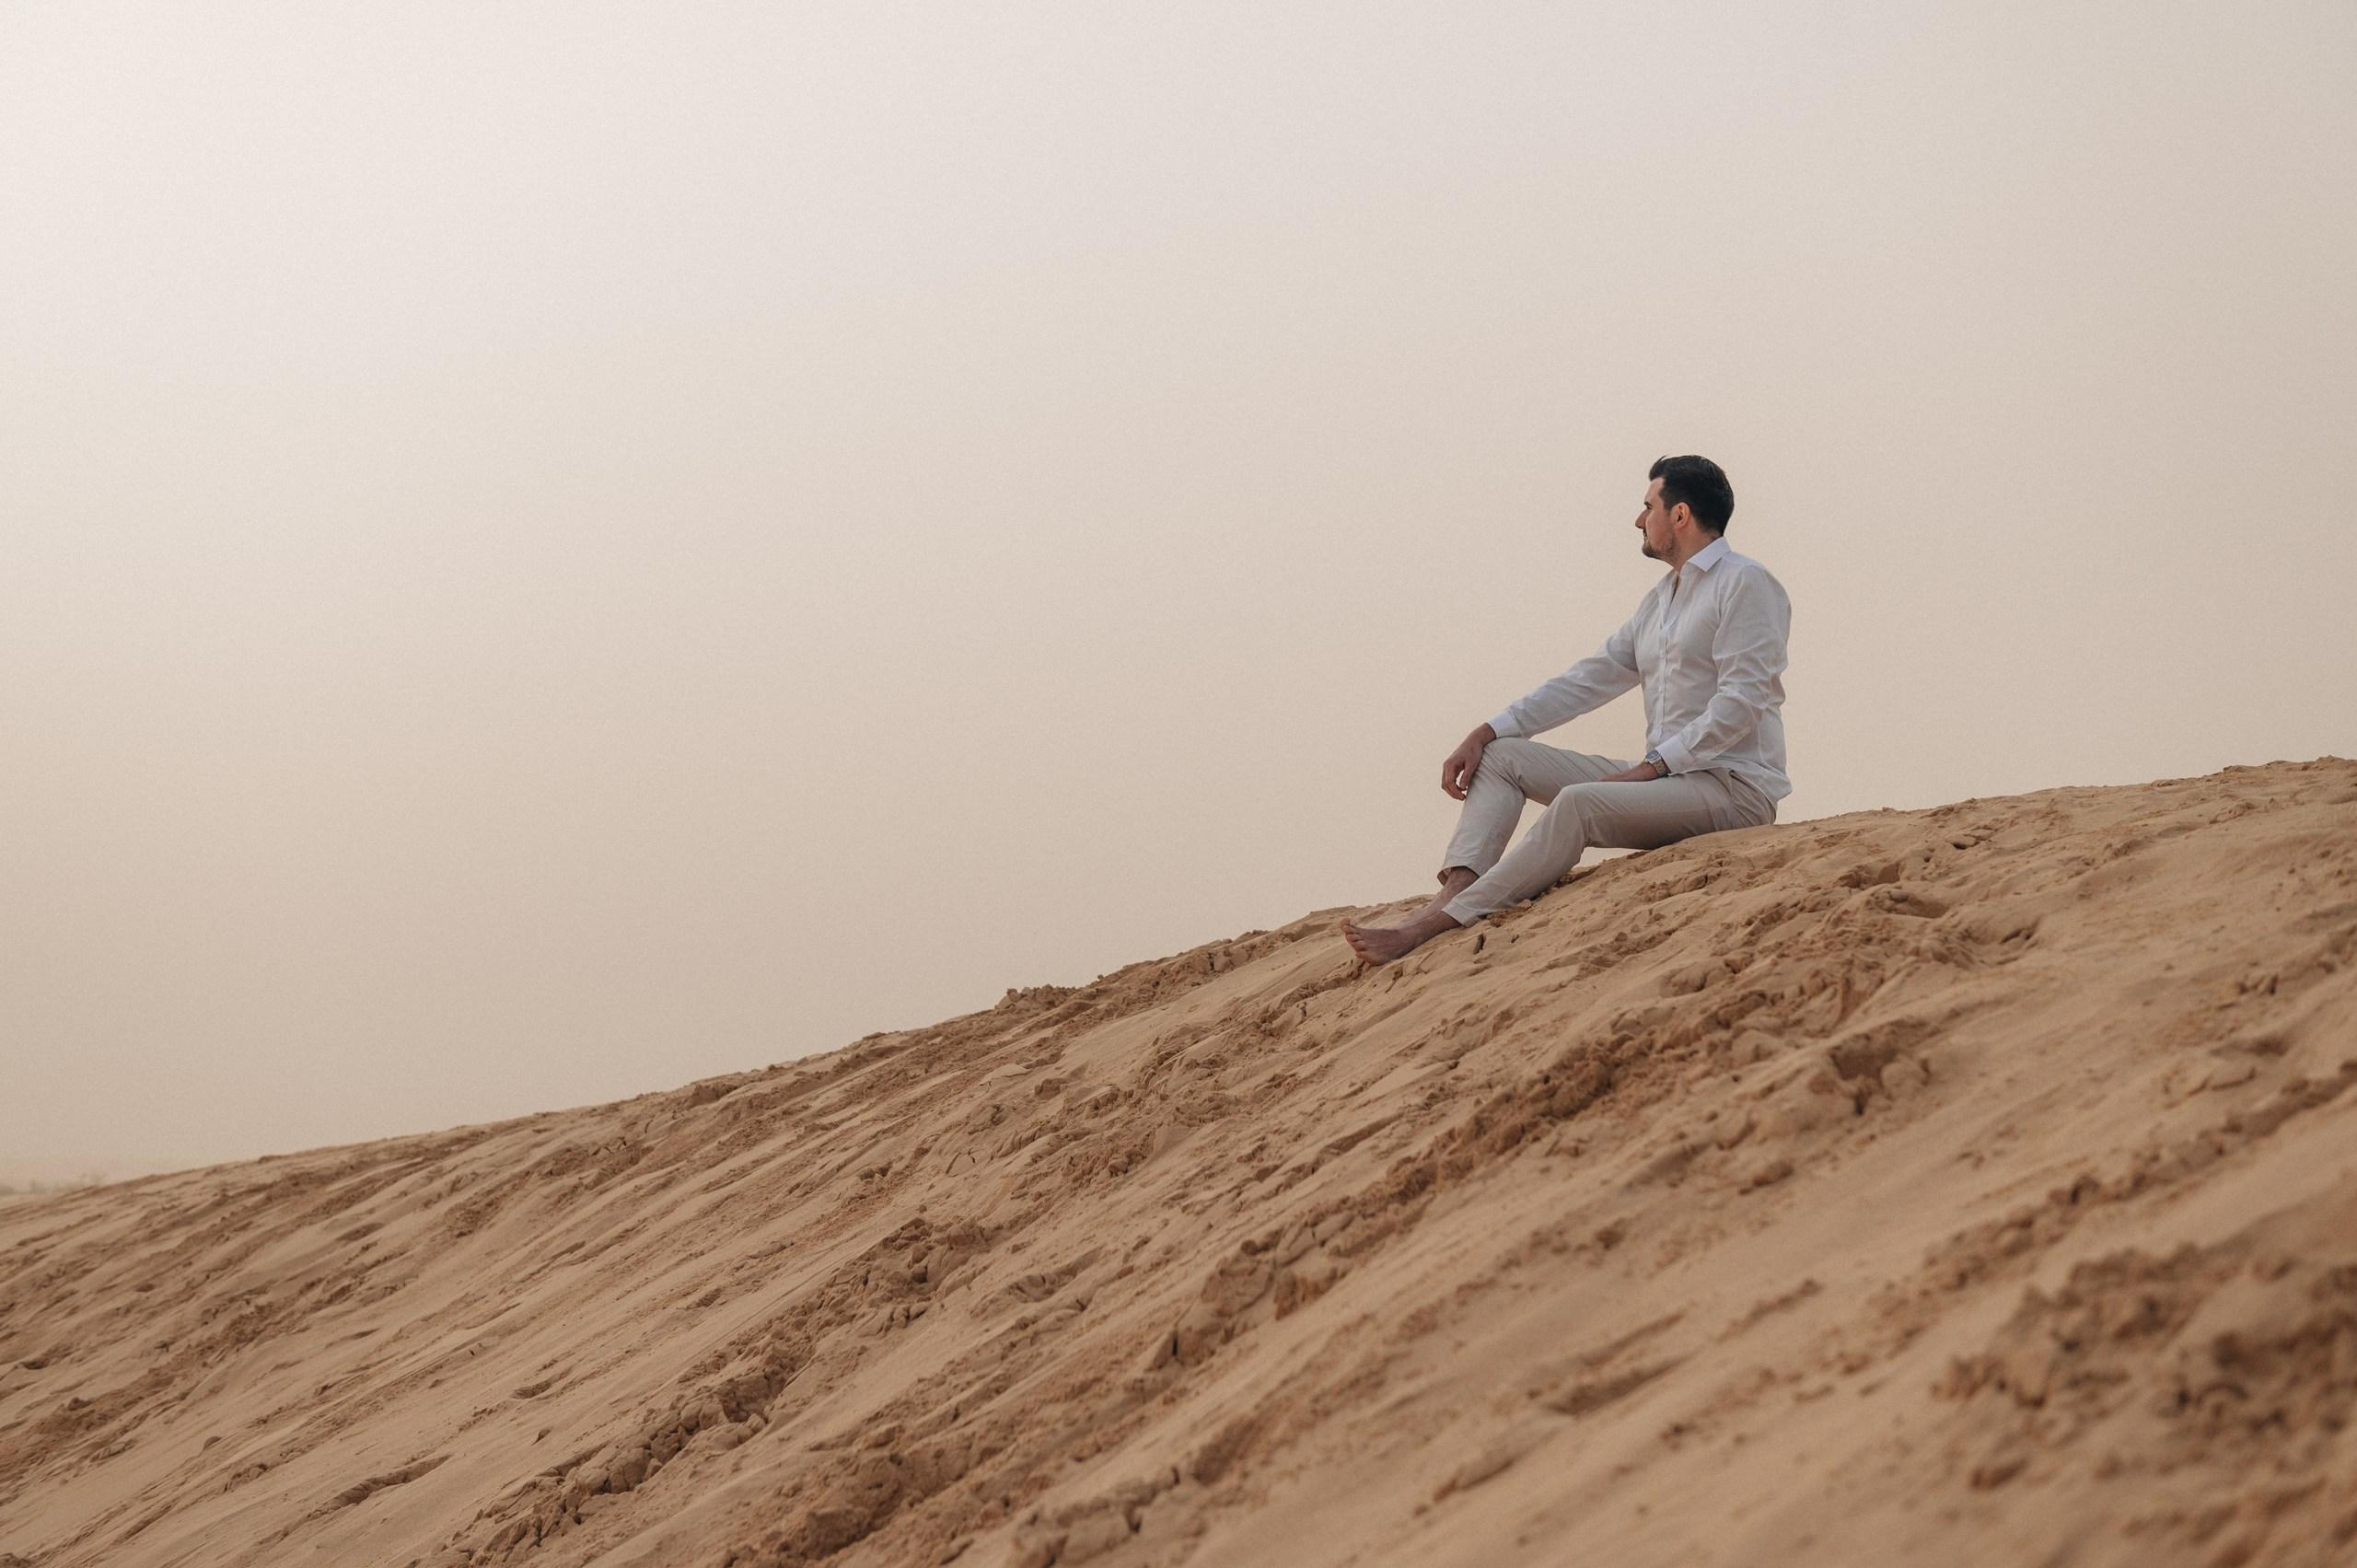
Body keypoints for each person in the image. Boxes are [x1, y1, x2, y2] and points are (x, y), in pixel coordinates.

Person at [1341, 455, 1790, 964]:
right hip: (1665, 783)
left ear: (1680, 515)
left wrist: (1654, 766)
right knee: (1502, 756)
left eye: (1648, 507)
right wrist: (1485, 730)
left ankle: (1436, 926)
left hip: (1732, 790)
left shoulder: (1745, 582)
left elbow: (1743, 701)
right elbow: (1587, 680)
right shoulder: (1659, 600)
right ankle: (1455, 889)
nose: (1639, 520)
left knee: (1579, 802)